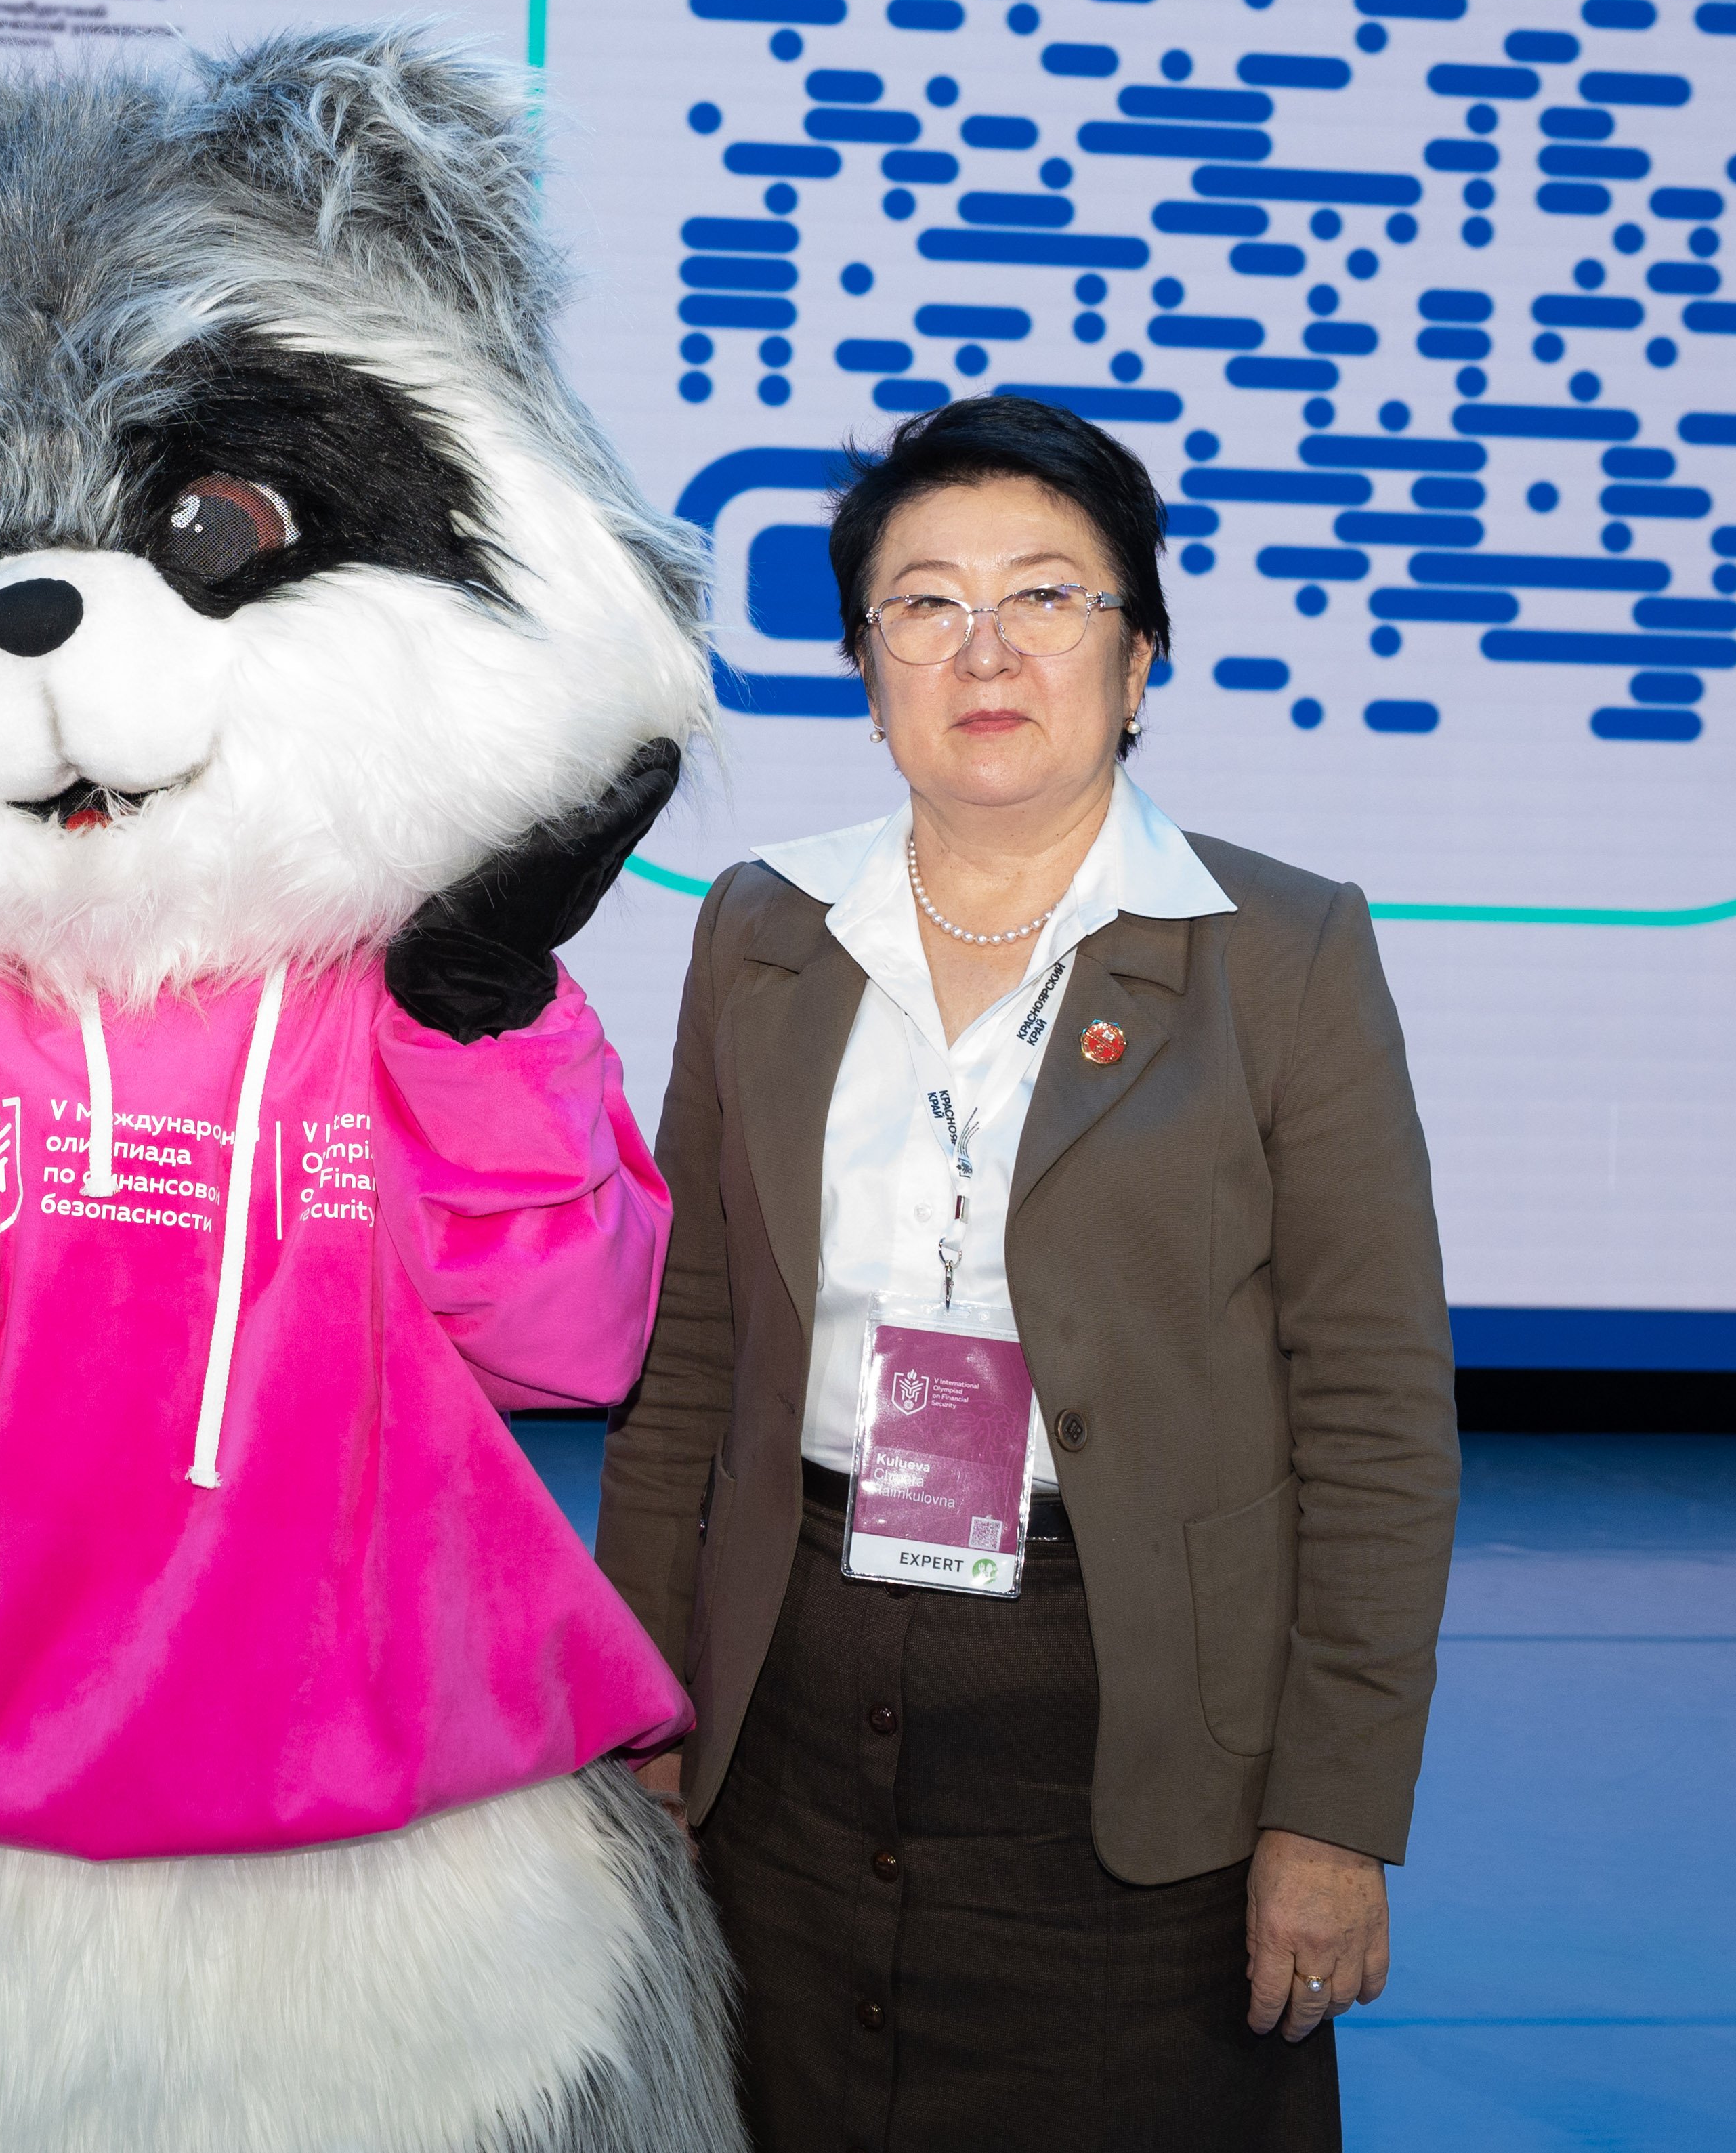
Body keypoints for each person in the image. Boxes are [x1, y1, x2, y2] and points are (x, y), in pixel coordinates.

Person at [595, 394, 1459, 2150]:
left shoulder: (1281, 949)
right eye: (923, 603)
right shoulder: (763, 927)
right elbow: (688, 1353)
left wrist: (1332, 1815)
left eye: (1047, 596)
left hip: (1137, 1723)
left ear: (1138, 659)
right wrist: (641, 1707)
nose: (983, 649)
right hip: (792, 1687)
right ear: (865, 670)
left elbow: (1375, 1418)